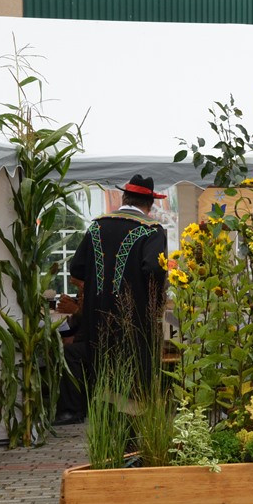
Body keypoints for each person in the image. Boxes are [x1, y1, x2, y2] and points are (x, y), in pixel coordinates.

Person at [55, 175, 168, 425]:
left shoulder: (96, 226)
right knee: (135, 372)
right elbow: (154, 269)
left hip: (97, 320)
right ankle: (131, 432)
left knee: (103, 370)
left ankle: (107, 427)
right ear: (149, 204)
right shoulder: (152, 230)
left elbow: (77, 268)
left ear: (124, 198)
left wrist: (100, 288)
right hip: (135, 319)